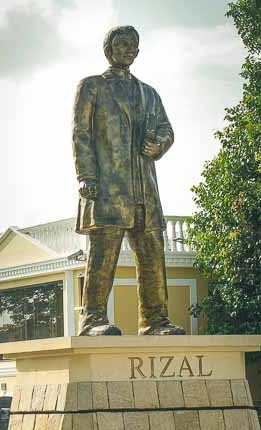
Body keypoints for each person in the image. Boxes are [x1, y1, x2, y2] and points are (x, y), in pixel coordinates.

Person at [73, 25, 185, 336]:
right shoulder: (92, 87)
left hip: (144, 188)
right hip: (108, 186)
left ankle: (155, 320)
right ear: (108, 49)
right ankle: (93, 318)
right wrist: (87, 177)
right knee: (103, 254)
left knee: (151, 251)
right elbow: (80, 135)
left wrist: (159, 145)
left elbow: (167, 130)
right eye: (122, 44)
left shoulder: (149, 93)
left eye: (133, 44)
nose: (129, 49)